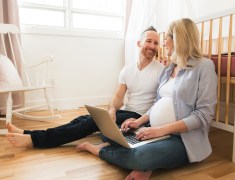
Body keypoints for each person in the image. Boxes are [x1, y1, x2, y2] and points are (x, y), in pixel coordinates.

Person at [76, 18, 218, 180]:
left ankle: (101, 151)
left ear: (178, 38)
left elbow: (204, 115)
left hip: (180, 138)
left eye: (167, 38)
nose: (164, 43)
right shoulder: (168, 69)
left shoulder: (204, 66)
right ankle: (144, 162)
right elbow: (158, 104)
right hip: (154, 131)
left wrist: (161, 130)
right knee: (110, 133)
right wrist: (139, 122)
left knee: (139, 157)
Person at [6, 26, 165, 148]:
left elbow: (160, 103)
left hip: (139, 117)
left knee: (90, 122)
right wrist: (111, 110)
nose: (152, 46)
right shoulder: (127, 70)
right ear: (139, 43)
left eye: (156, 43)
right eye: (149, 41)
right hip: (125, 110)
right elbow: (118, 96)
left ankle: (34, 140)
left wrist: (141, 120)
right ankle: (28, 133)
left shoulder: (161, 71)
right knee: (82, 118)